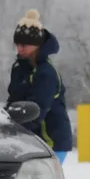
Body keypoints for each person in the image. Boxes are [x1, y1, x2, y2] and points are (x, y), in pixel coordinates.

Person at [8, 10, 74, 163]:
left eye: (24, 44)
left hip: (51, 141)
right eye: (17, 44)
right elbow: (13, 101)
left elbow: (37, 110)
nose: (20, 48)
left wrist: (14, 132)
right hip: (30, 140)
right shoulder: (18, 68)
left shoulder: (46, 73)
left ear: (37, 45)